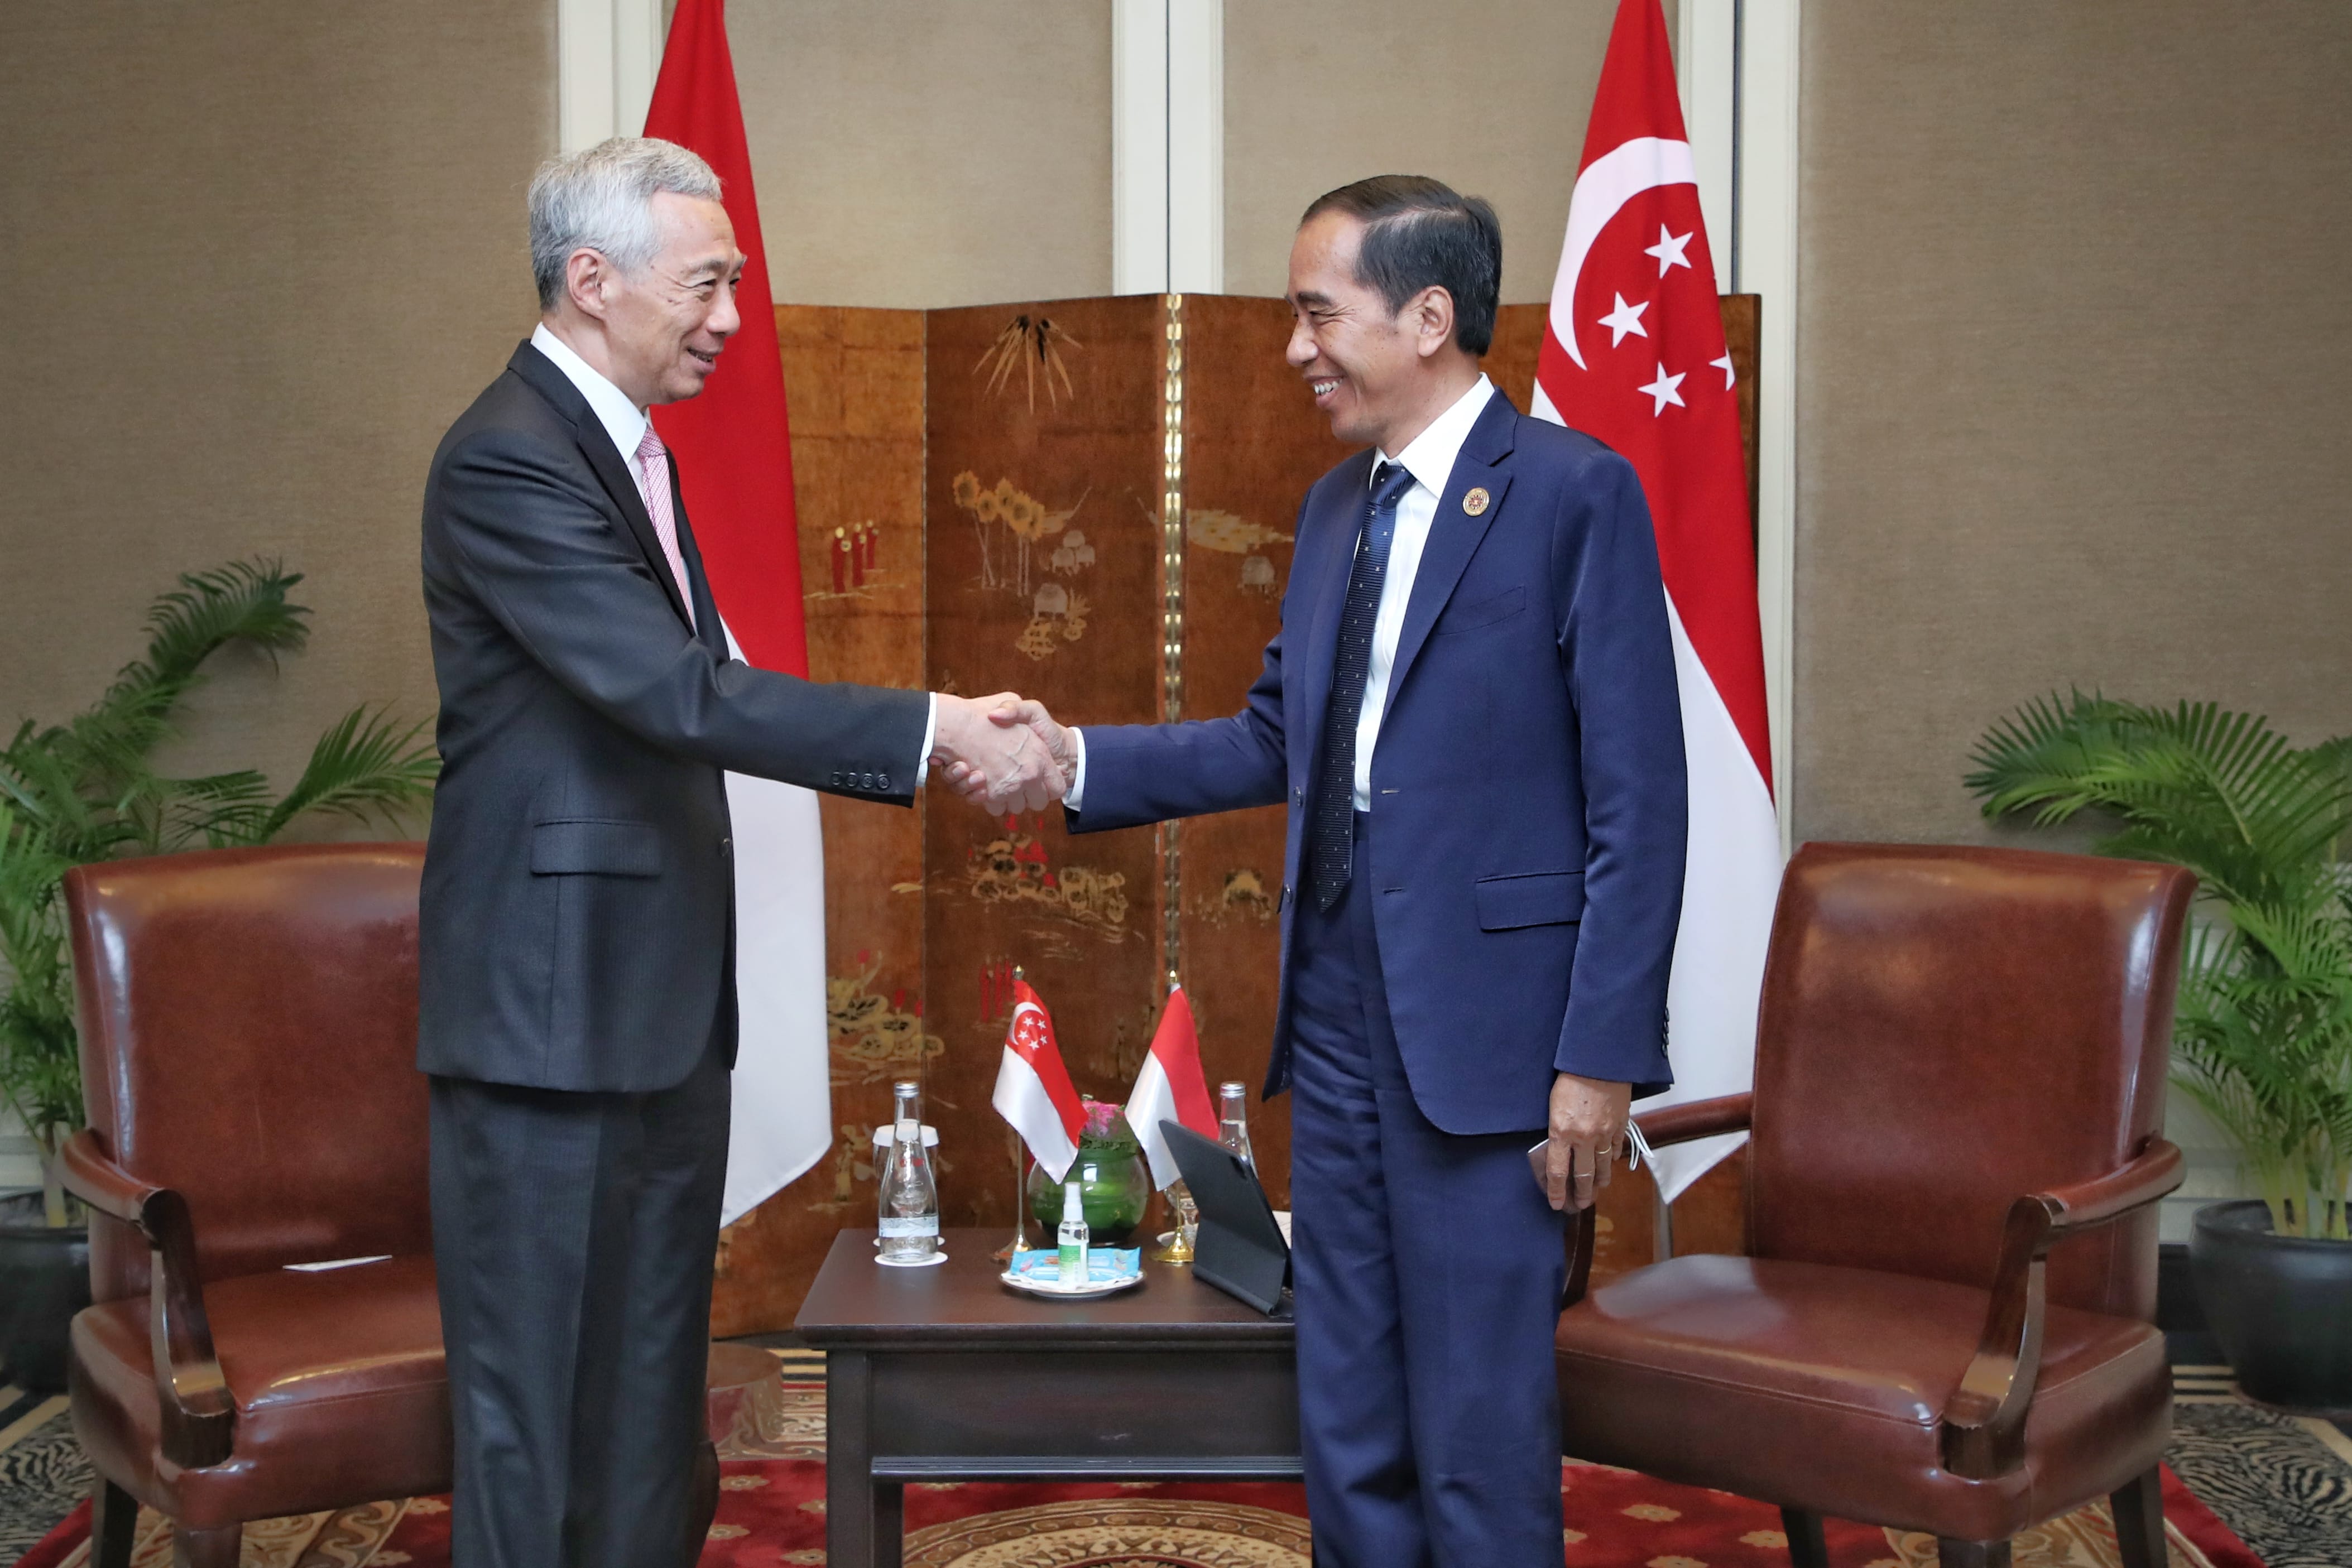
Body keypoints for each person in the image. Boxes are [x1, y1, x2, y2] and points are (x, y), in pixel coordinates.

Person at [982, 176, 1688, 1566]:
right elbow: (1272, 737)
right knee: (1349, 1417)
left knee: (1479, 1430)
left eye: (1319, 313)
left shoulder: (1570, 495)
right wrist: (1073, 761)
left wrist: (1598, 1057)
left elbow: (1640, 803)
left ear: (1429, 316)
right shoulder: (1331, 510)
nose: (1296, 348)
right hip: (1340, 1024)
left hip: (1496, 1044)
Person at [417, 137, 1052, 1567]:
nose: (728, 320)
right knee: (534, 1413)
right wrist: (936, 721)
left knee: (648, 1397)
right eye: (705, 285)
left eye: (733, 286)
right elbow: (675, 691)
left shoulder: (623, 447)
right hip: (543, 1018)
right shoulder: (510, 459)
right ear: (592, 281)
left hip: (648, 1006)